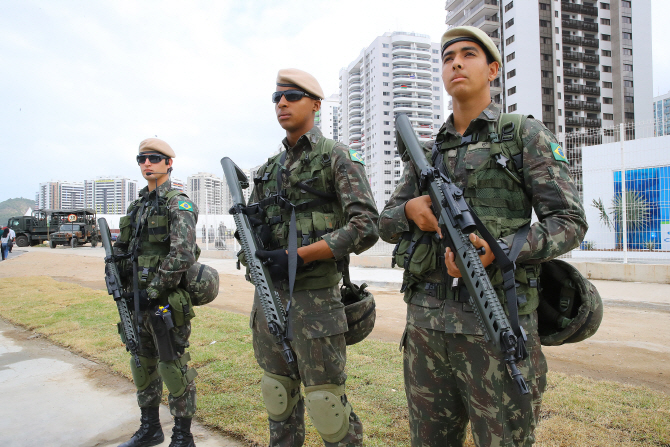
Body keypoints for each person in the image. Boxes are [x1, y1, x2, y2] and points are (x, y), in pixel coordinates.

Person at [378, 26, 587, 446]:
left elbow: (569, 221)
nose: (455, 62)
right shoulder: (429, 151)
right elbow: (384, 223)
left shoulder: (521, 135)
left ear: (492, 69)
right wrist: (410, 211)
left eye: (468, 54)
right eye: (447, 56)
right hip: (426, 326)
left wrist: (503, 249)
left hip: (495, 324)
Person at [245, 68, 379, 447]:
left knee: (326, 405)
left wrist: (301, 256)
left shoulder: (336, 156)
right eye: (277, 97)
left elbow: (366, 225)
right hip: (270, 299)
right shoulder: (267, 170)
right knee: (278, 396)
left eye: (292, 96)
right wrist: (254, 256)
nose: (282, 103)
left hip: (316, 301)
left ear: (316, 105)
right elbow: (252, 231)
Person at [113, 138, 200, 447]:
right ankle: (150, 428)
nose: (146, 163)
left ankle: (182, 436)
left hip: (164, 302)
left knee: (173, 367)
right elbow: (123, 252)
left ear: (168, 164)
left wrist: (154, 288)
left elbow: (182, 254)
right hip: (135, 300)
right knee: (142, 366)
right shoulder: (136, 207)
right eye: (141, 158)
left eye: (153, 158)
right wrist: (117, 279)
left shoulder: (178, 203)